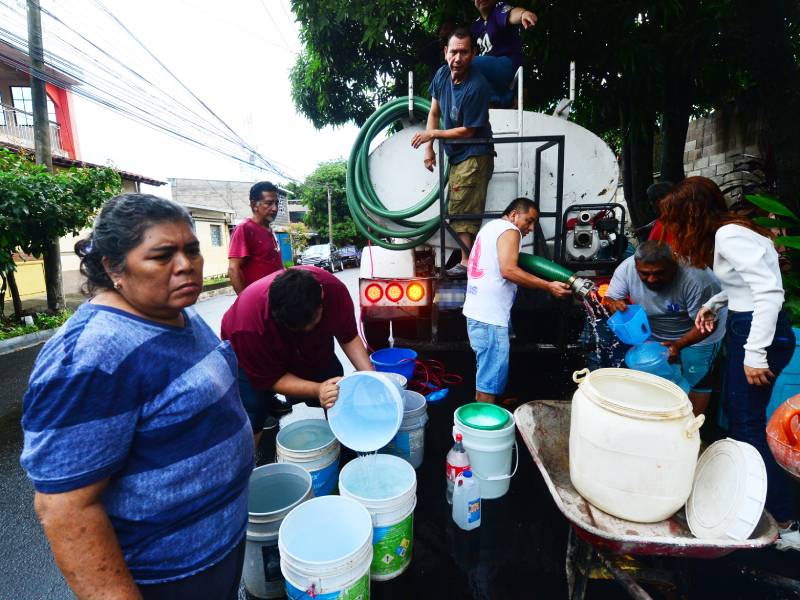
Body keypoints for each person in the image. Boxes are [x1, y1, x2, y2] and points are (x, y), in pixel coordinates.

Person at [20, 194, 253, 599]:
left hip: (219, 550)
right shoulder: (92, 354)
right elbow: (64, 508)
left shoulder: (180, 312)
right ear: (113, 268)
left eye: (191, 250)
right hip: (167, 579)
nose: (186, 266)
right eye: (162, 256)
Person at [659, 176, 799, 550]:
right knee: (742, 420)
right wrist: (715, 303)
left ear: (692, 213)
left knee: (747, 425)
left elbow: (769, 291)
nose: (673, 229)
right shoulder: (734, 231)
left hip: (757, 331)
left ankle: (785, 517)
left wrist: (755, 353)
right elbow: (747, 284)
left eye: (675, 219)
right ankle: (771, 506)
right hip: (747, 322)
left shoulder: (729, 237)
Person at [222, 266, 374, 445]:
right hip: (253, 355)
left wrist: (371, 377)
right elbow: (272, 379)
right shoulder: (247, 327)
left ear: (322, 298)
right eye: (298, 327)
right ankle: (247, 464)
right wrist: (318, 389)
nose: (307, 329)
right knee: (253, 410)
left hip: (315, 349)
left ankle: (346, 443)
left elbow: (348, 336)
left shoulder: (334, 291)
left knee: (337, 391)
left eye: (312, 323)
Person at [462, 197, 572, 403]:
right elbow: (508, 270)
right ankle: (485, 429)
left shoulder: (489, 228)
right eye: (528, 221)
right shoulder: (510, 230)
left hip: (477, 314)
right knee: (489, 382)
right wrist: (548, 285)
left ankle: (484, 414)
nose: (530, 228)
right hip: (490, 319)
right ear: (514, 215)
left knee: (487, 376)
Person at [603, 241, 726, 416]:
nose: (651, 279)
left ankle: (690, 430)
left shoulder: (697, 278)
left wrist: (679, 345)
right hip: (652, 331)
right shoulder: (627, 268)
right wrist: (614, 304)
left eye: (659, 273)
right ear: (636, 266)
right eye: (644, 274)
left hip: (699, 333)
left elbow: (708, 325)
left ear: (673, 264)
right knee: (654, 378)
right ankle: (658, 420)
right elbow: (609, 298)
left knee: (696, 380)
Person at [412, 26, 494, 278]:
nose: (458, 58)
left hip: (475, 153)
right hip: (459, 155)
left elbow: (468, 131)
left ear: (473, 54)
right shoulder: (441, 76)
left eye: (464, 52)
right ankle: (465, 258)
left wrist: (433, 135)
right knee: (457, 208)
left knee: (461, 210)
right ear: (446, 52)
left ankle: (468, 262)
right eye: (454, 52)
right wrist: (429, 149)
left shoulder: (476, 86)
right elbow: (434, 113)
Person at [470, 1, 537, 106]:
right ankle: (504, 100)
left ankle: (493, 101)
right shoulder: (475, 25)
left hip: (508, 66)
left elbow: (511, 14)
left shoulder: (498, 9)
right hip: (492, 77)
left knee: (467, 63)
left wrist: (523, 14)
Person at [228, 180, 284, 294]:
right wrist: (245, 301)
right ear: (254, 205)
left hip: (277, 299)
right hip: (259, 301)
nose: (275, 208)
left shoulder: (270, 230)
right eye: (269, 203)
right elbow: (233, 269)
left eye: (276, 203)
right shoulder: (244, 229)